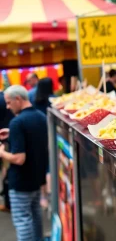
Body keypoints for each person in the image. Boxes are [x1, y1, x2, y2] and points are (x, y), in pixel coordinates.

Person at [0, 85, 48, 241]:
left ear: (18, 99)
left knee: (22, 221)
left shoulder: (17, 122)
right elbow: (32, 139)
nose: (7, 107)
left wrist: (2, 153)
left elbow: (19, 158)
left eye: (8, 102)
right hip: (36, 178)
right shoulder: (41, 116)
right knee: (35, 217)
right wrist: (11, 133)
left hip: (21, 181)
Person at [0, 91, 14, 212]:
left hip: (4, 139)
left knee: (6, 170)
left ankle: (8, 203)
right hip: (9, 136)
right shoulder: (5, 96)